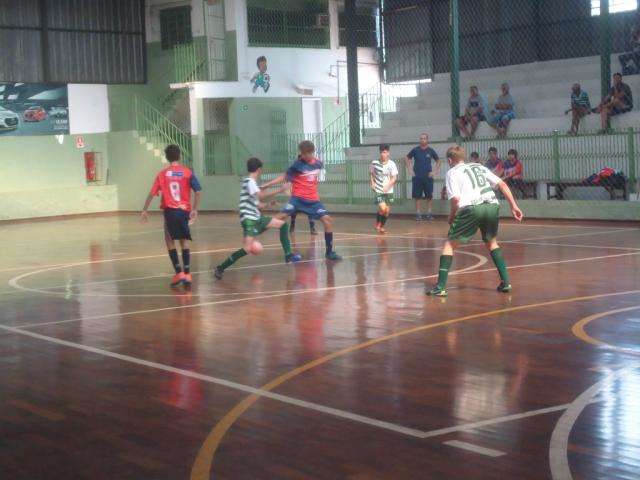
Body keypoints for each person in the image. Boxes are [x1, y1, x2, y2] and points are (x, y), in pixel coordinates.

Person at [425, 145, 523, 297]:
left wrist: (451, 216)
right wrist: (514, 206)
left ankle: (440, 287)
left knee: (449, 244)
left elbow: (456, 200)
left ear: (450, 160)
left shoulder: (452, 172)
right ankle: (506, 283)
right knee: (492, 242)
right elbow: (502, 184)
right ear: (463, 158)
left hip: (471, 208)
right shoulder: (478, 166)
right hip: (491, 205)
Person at [214, 157, 302, 279]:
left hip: (257, 218)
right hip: (249, 220)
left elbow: (257, 203)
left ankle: (288, 255)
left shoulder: (251, 183)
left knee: (282, 224)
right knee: (247, 248)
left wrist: (268, 204)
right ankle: (220, 268)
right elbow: (260, 195)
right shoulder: (249, 181)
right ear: (259, 169)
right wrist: (280, 190)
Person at [262, 140, 342, 261]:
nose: (303, 156)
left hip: (313, 201)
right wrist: (268, 184)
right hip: (297, 199)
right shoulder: (297, 165)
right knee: (280, 216)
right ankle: (257, 229)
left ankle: (329, 252)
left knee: (327, 221)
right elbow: (284, 176)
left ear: (312, 152)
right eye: (302, 153)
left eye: (305, 154)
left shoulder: (319, 164)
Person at [140, 144, 202, 288]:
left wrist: (144, 210)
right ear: (179, 156)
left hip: (170, 212)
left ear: (167, 158)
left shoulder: (162, 174)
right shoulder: (187, 172)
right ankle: (187, 274)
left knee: (169, 240)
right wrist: (195, 209)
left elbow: (152, 193)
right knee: (184, 240)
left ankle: (178, 272)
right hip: (184, 211)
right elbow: (198, 191)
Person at [406, 133, 441, 221]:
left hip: (428, 177)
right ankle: (418, 214)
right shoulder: (415, 150)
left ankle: (429, 213)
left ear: (427, 140)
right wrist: (410, 170)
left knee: (429, 196)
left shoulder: (430, 150)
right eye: (421, 138)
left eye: (424, 138)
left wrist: (434, 171)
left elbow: (438, 161)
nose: (422, 140)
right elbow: (407, 158)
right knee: (417, 196)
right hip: (417, 177)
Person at [370, 144, 398, 234]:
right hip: (379, 189)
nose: (383, 154)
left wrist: (388, 186)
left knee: (387, 211)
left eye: (385, 152)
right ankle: (377, 223)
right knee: (382, 208)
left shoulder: (392, 164)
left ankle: (382, 226)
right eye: (381, 152)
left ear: (388, 153)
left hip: (389, 190)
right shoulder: (374, 162)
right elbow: (370, 172)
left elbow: (394, 178)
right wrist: (372, 182)